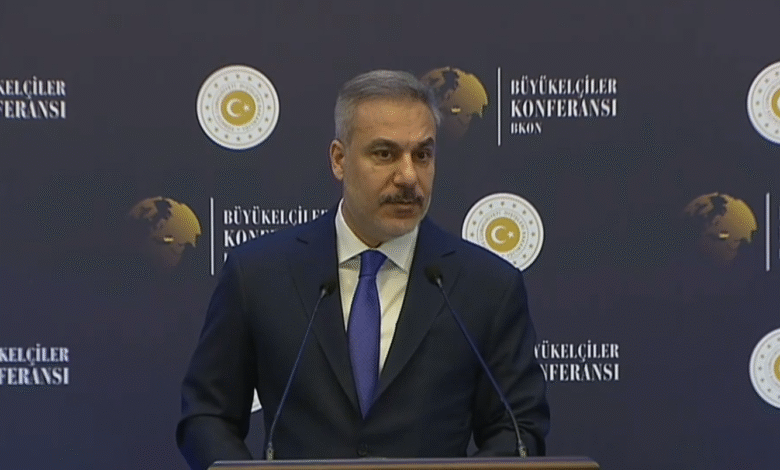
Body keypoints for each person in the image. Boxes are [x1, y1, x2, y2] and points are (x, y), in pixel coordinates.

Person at [177, 70, 549, 470]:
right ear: (339, 160)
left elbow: (519, 429)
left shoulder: (487, 286)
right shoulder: (259, 274)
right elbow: (207, 416)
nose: (409, 177)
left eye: (422, 155)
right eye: (385, 154)